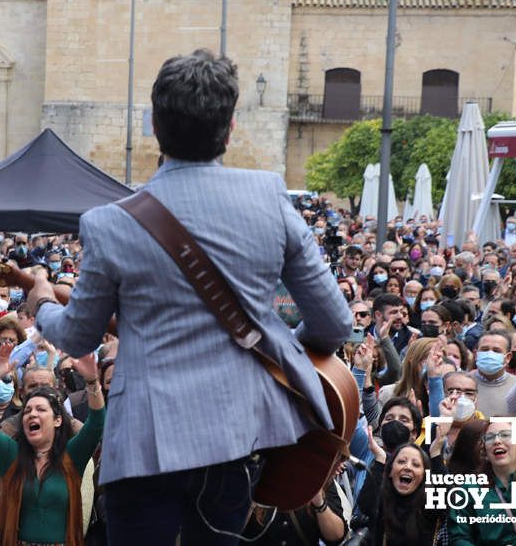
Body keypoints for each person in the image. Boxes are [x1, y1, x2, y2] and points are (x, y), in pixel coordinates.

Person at [27, 49, 352, 545]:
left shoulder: (109, 222)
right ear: (231, 126)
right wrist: (276, 351)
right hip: (236, 438)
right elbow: (333, 322)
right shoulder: (270, 196)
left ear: (155, 125)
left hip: (143, 446)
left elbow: (77, 333)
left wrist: (44, 302)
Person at [0, 343, 105, 546]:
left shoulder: (72, 456)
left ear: (58, 420)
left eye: (41, 409)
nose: (32, 414)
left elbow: (96, 423)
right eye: (28, 410)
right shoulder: (11, 454)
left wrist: (93, 382)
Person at [448, 420, 516, 544]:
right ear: (485, 451)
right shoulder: (469, 489)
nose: (497, 441)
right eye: (489, 437)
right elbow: (459, 536)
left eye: (505, 435)